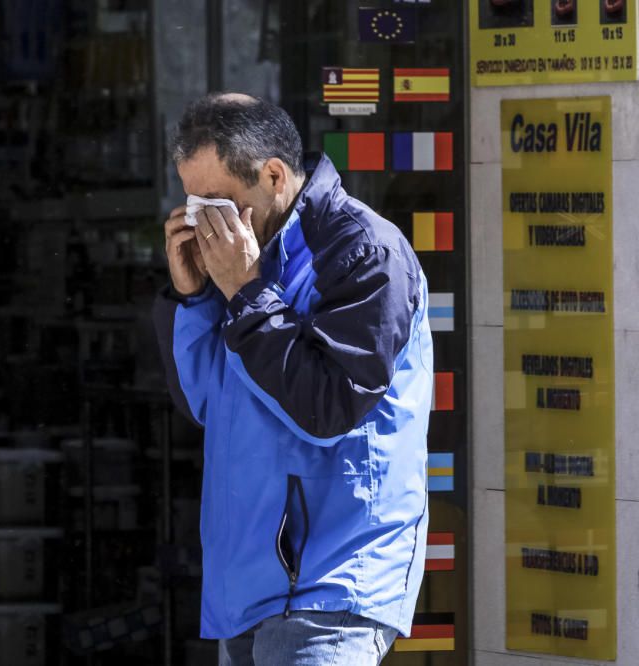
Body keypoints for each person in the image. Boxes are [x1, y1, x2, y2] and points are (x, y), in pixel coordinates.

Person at [152, 93, 433, 665]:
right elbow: (205, 402)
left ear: (274, 175)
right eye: (194, 202)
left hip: (334, 581)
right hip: (248, 587)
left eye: (221, 203)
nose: (207, 223)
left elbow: (327, 408)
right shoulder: (237, 265)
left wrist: (246, 292)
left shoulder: (365, 251)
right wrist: (192, 298)